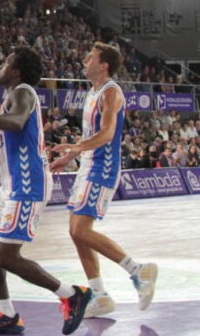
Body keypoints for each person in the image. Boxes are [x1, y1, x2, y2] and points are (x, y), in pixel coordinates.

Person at [0, 47, 90, 336]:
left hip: (28, 185)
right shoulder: (9, 98)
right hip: (10, 186)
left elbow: (17, 122)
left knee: (7, 256)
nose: (1, 65)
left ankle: (71, 294)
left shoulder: (22, 92)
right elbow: (7, 149)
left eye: (7, 61)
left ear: (17, 70)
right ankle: (7, 314)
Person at [50, 43, 158, 318]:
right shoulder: (93, 91)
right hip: (88, 165)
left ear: (104, 65)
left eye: (90, 57)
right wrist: (71, 158)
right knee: (75, 233)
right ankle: (99, 294)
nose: (84, 60)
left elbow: (108, 134)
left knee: (82, 231)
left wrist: (75, 148)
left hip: (103, 167)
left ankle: (138, 271)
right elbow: (92, 134)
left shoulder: (111, 92)